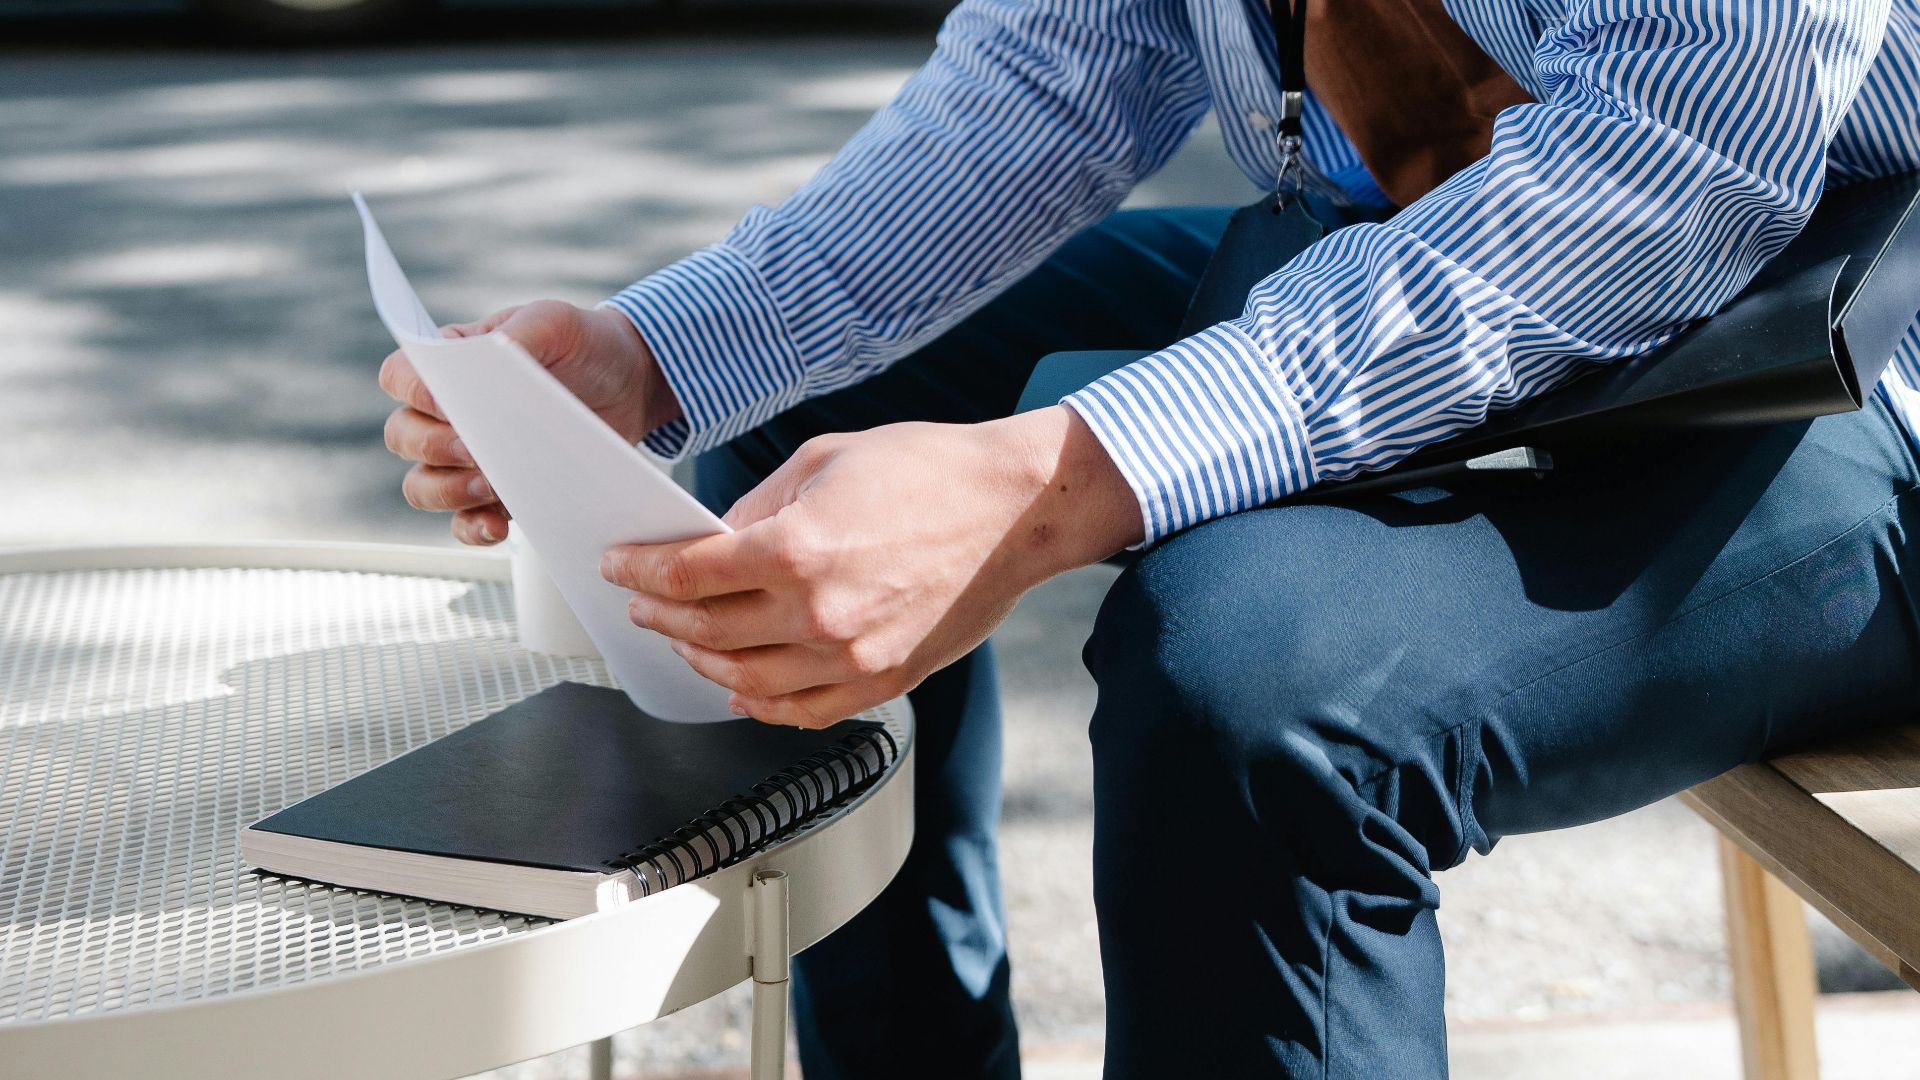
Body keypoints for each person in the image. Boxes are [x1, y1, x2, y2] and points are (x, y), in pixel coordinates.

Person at [378, 0, 1920, 1074]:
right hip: (1420, 256)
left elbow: (1659, 176)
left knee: (1256, 676)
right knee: (827, 402)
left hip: (1839, 343)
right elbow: (1052, 71)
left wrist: (1052, 479)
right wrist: (654, 354)